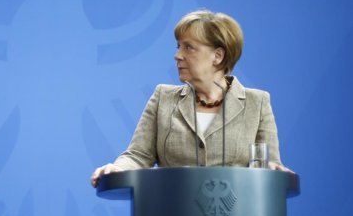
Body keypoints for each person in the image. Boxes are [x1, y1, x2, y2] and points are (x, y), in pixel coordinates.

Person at [91, 10, 292, 187]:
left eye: (189, 47)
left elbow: (269, 167)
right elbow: (138, 156)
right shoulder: (163, 98)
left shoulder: (257, 103)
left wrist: (274, 169)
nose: (177, 55)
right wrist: (117, 168)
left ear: (218, 56)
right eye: (178, 46)